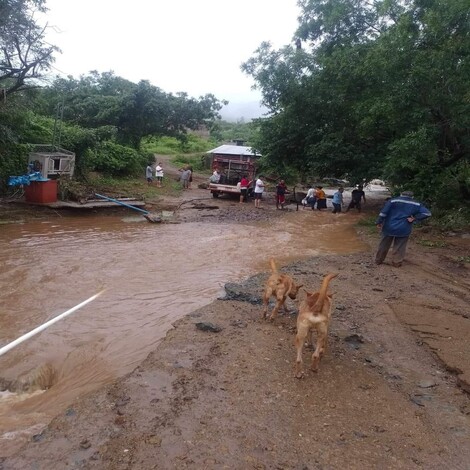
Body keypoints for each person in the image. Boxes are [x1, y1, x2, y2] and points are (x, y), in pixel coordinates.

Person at [375, 191, 431, 267]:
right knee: (400, 246)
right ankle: (396, 262)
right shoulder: (416, 204)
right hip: (404, 228)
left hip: (389, 227)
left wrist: (379, 221)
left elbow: (383, 213)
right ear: (412, 197)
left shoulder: (392, 201)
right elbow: (427, 213)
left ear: (401, 195)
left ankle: (379, 260)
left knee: (384, 244)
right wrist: (415, 218)